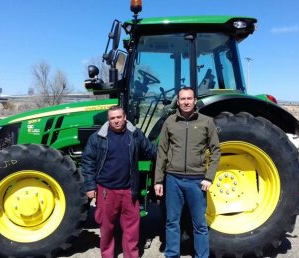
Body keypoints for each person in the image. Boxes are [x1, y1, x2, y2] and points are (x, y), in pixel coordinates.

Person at [81, 105, 156, 258]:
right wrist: (90, 186)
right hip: (106, 191)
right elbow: (88, 161)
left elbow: (151, 151)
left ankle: (131, 255)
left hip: (129, 190)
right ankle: (107, 255)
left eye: (118, 117)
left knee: (132, 229)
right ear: (108, 120)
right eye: (112, 118)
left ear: (125, 117)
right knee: (106, 228)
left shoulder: (135, 135)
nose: (116, 121)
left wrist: (171, 159)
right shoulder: (98, 137)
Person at [154, 87, 220, 258]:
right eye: (182, 99)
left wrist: (209, 177)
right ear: (178, 101)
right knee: (171, 222)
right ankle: (172, 255)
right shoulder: (170, 122)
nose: (186, 102)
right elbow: (162, 152)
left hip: (197, 181)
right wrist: (158, 181)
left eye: (189, 98)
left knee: (199, 224)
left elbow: (215, 151)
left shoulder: (206, 122)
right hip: (173, 179)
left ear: (195, 100)